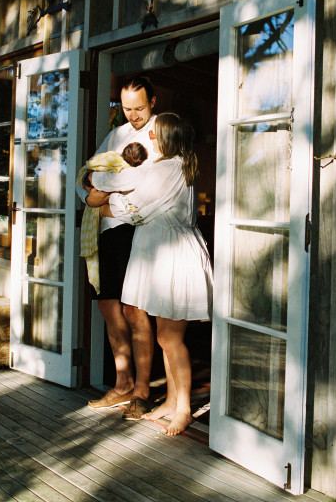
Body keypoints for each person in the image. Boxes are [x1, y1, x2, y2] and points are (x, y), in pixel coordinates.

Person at [97, 112, 213, 435]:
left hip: (171, 256)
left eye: (155, 132)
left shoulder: (167, 169)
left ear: (168, 139)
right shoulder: (172, 165)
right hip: (159, 254)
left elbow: (134, 207)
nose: (149, 136)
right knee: (165, 337)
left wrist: (103, 202)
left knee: (171, 339)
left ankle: (184, 408)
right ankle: (172, 401)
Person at [76, 76, 157, 418]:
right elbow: (86, 175)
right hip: (108, 231)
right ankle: (122, 384)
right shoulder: (117, 135)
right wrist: (91, 197)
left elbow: (147, 187)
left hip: (140, 232)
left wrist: (105, 193)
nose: (133, 115)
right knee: (109, 309)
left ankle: (142, 390)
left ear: (152, 102)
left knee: (135, 310)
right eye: (126, 109)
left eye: (139, 108)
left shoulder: (160, 134)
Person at [76, 143, 148, 294]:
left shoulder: (155, 142)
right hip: (106, 230)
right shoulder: (113, 140)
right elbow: (83, 177)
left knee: (130, 298)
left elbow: (139, 181)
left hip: (132, 229)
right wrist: (88, 199)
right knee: (108, 298)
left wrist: (98, 185)